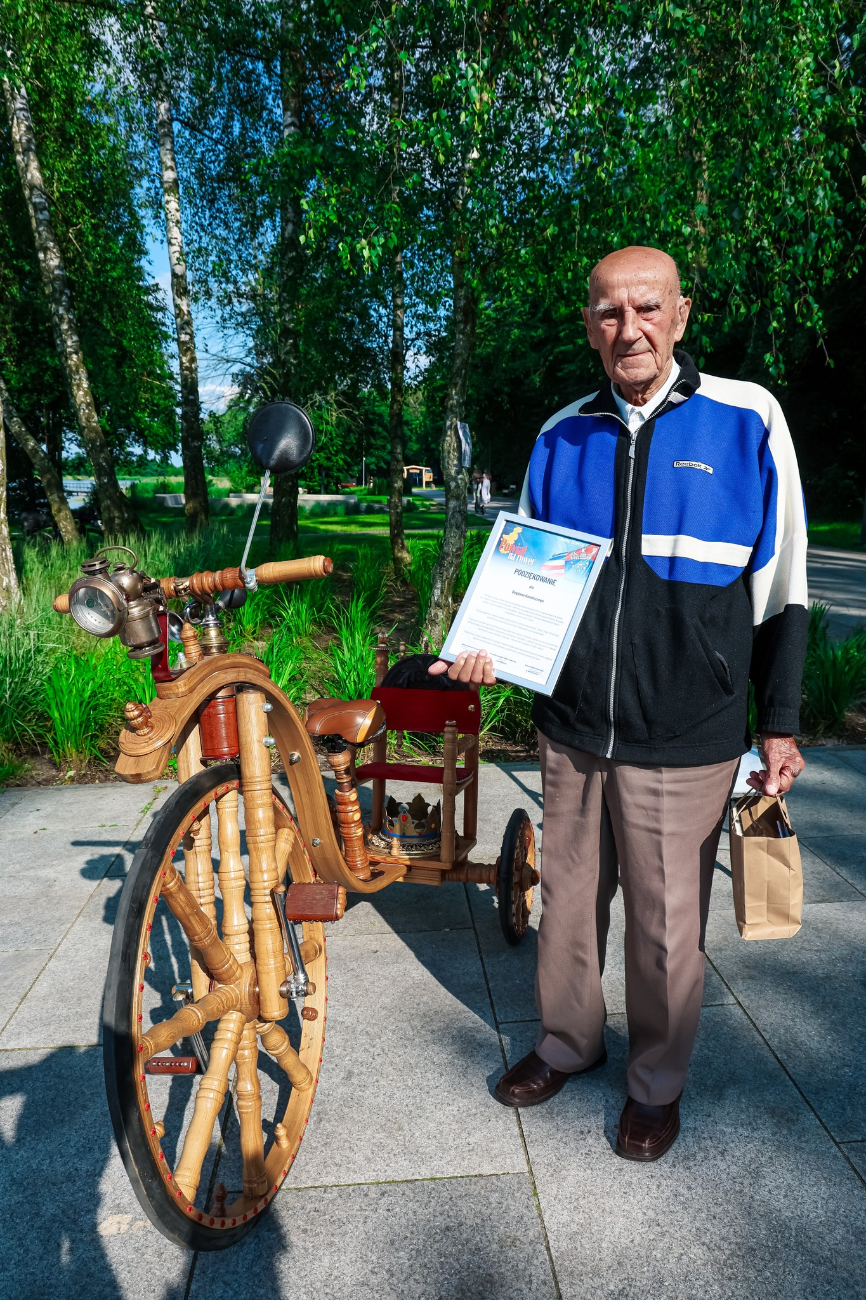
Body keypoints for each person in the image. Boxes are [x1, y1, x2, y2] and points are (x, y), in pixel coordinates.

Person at [430, 245, 808, 1161]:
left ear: (680, 314)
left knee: (667, 920)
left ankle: (655, 1082)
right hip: (572, 725)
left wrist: (780, 721)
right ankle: (566, 1043)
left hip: (689, 728)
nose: (628, 328)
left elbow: (785, 583)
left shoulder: (747, 418)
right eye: (608, 311)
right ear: (589, 324)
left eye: (647, 308)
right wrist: (492, 651)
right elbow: (527, 581)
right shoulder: (562, 435)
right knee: (566, 901)